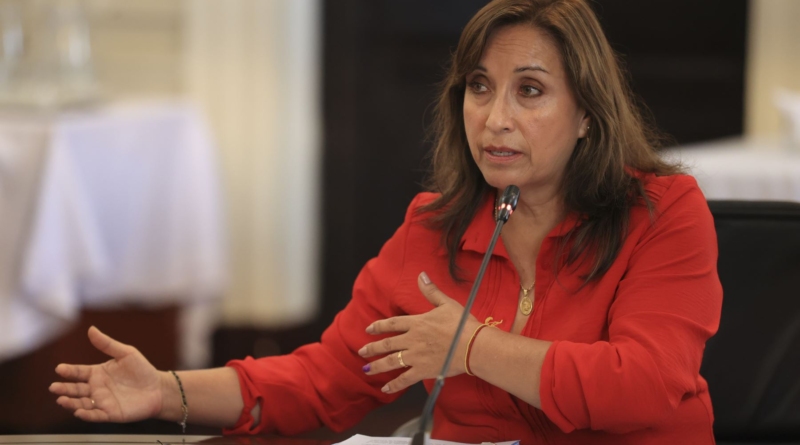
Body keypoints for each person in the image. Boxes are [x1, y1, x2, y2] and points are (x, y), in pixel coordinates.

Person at [50, 0, 723, 443]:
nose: (495, 118)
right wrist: (167, 391)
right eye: (479, 87)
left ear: (587, 116)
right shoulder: (433, 228)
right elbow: (324, 382)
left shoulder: (663, 212)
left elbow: (643, 384)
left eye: (530, 90)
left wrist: (472, 347)